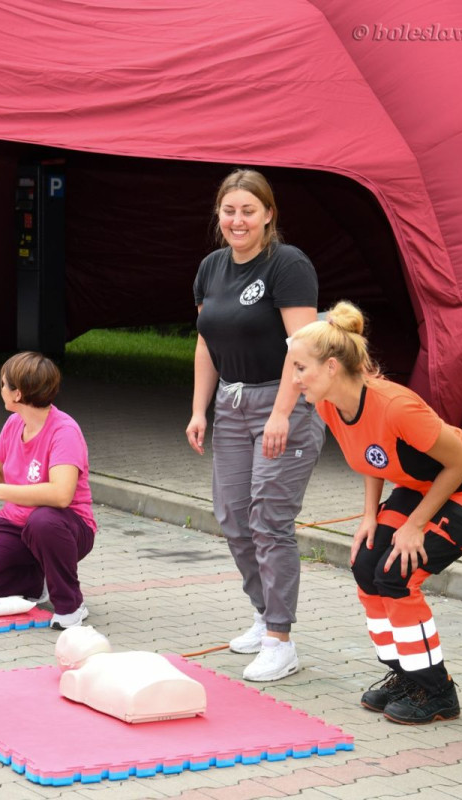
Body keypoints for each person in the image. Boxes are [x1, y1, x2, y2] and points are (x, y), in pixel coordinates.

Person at [288, 301, 462, 724]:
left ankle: (437, 691)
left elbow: (460, 462)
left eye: (301, 368)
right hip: (425, 485)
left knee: (397, 575)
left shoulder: (395, 405)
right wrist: (370, 516)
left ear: (332, 366)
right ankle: (406, 676)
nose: (294, 379)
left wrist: (415, 525)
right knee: (365, 563)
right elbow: (373, 457)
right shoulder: (329, 404)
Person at [185, 168, 324, 682]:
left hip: (280, 403)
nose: (237, 220)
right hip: (231, 403)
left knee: (269, 520)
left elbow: (304, 348)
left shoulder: (288, 265)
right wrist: (200, 409)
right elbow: (206, 342)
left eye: (248, 210)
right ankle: (264, 615)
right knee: (233, 518)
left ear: (268, 214)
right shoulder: (211, 267)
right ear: (219, 215)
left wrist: (284, 412)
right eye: (229, 210)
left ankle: (281, 640)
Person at [0, 352, 97, 629]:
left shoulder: (64, 431)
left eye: (4, 384)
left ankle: (71, 605)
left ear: (18, 393)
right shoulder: (15, 423)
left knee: (43, 521)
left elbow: (61, 495)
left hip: (66, 528)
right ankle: (36, 581)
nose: (0, 389)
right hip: (16, 524)